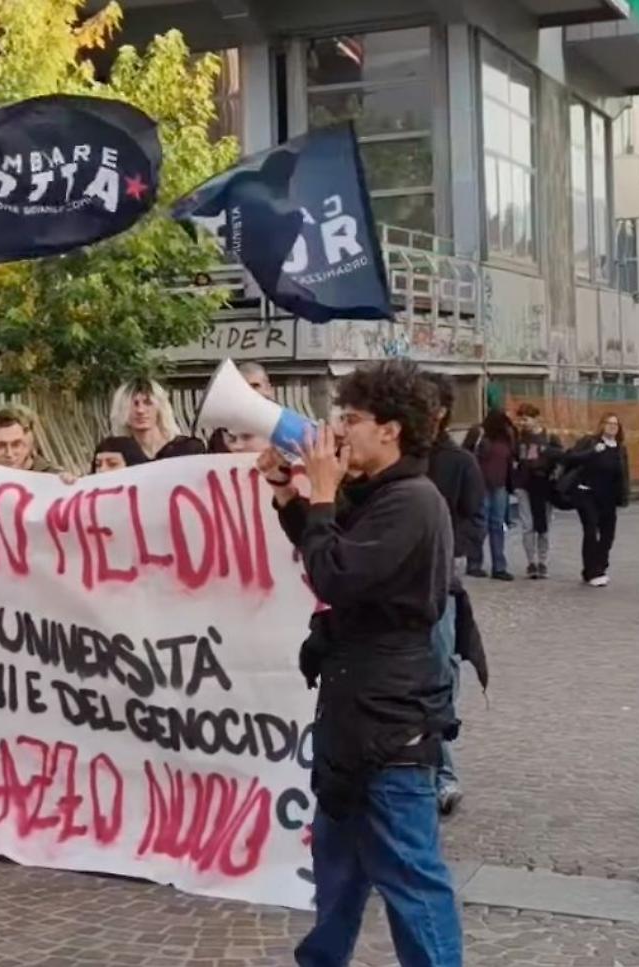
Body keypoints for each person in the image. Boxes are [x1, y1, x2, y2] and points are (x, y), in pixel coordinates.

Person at [261, 359, 461, 967]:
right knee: (338, 870)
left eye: (351, 418)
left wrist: (321, 494)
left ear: (391, 429)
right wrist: (290, 497)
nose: (340, 430)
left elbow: (337, 574)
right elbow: (335, 545)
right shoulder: (384, 496)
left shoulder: (413, 502)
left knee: (411, 879)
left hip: (389, 724)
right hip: (358, 719)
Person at [425, 372, 485, 816]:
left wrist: (449, 551)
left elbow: (474, 519)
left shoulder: (460, 462)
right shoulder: (393, 457)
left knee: (440, 672)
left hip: (439, 584)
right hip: (394, 584)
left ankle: (442, 772)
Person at [562, 412, 630, 587]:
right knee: (591, 530)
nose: (612, 427)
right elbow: (570, 457)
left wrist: (623, 496)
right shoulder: (590, 442)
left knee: (608, 535)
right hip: (586, 493)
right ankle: (592, 571)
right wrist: (592, 452)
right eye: (608, 423)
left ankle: (599, 566)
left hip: (608, 497)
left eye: (615, 424)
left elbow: (624, 474)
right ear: (601, 425)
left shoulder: (620, 449)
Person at [463, 408, 516, 581]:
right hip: (481, 485)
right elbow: (466, 454)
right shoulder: (479, 433)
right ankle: (475, 563)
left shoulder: (507, 436)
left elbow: (511, 460)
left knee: (496, 525)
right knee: (481, 524)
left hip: (499, 485)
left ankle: (498, 566)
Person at [514, 404, 562, 579]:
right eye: (520, 419)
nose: (522, 423)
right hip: (524, 485)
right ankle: (531, 562)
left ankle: (543, 561)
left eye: (525, 419)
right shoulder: (518, 438)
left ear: (536, 419)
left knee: (544, 526)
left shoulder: (549, 438)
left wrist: (555, 474)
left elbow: (561, 458)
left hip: (544, 486)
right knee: (527, 525)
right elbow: (514, 459)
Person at [109, 377, 205, 460]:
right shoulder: (115, 455)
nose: (140, 410)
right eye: (134, 404)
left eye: (148, 403)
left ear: (160, 407)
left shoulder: (189, 449)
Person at [0, 406, 59, 472]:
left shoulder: (54, 479)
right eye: (0, 446)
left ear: (28, 444)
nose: (9, 454)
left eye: (16, 444)